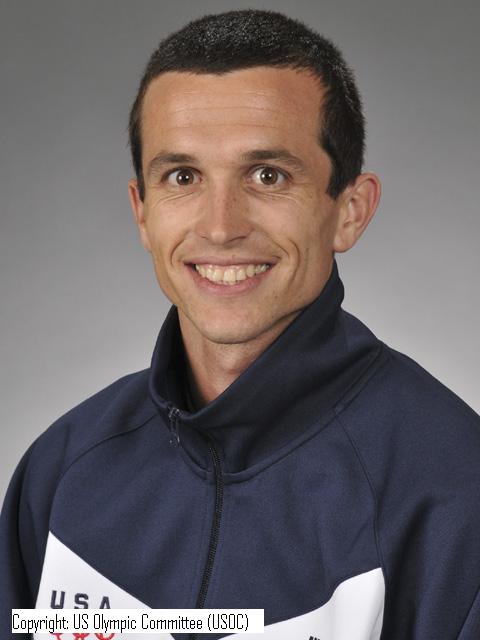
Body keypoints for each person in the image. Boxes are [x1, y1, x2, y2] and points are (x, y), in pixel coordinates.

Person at [1, 8, 479, 640]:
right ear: (142, 213)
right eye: (183, 177)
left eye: (267, 175)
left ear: (350, 210)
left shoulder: (454, 490)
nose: (221, 226)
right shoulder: (63, 469)